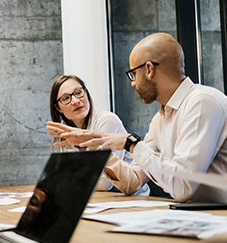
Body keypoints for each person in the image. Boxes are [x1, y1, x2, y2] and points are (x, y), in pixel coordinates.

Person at [49, 33, 227, 203]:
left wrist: (131, 143)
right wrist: (98, 145)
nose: (133, 83)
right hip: (198, 216)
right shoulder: (160, 119)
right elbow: (132, 183)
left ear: (149, 69)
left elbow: (182, 187)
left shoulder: (202, 102)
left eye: (133, 74)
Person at [46, 75, 149, 195]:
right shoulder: (62, 130)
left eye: (79, 92)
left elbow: (105, 183)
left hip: (130, 199)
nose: (75, 101)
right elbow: (59, 178)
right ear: (58, 108)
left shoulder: (107, 120)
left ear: (86, 93)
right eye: (66, 98)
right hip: (95, 199)